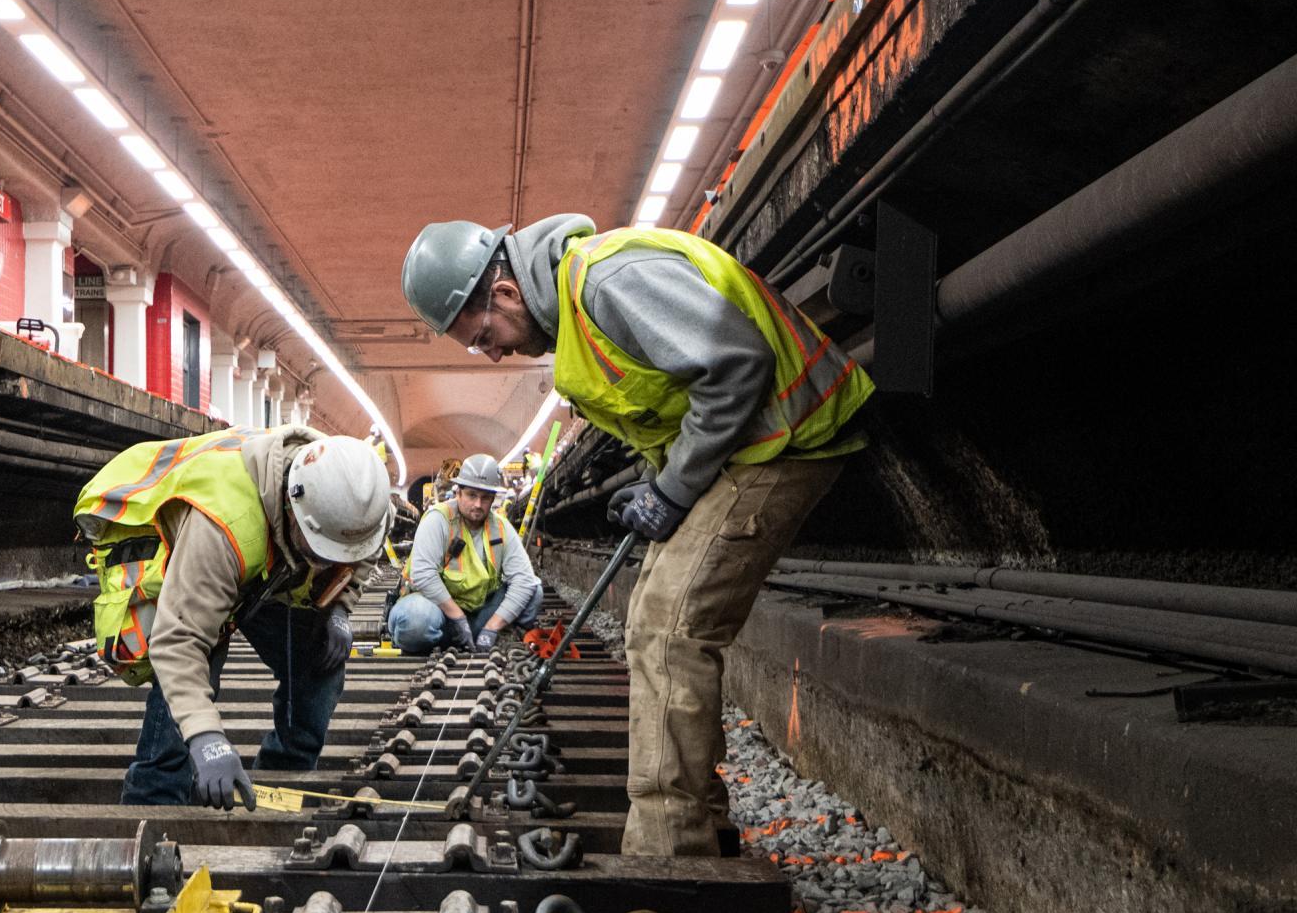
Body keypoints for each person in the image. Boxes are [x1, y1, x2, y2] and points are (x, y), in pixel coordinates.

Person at [401, 215, 873, 857]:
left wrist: (674, 490)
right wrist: (657, 478)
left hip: (785, 432)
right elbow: (672, 397)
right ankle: (705, 820)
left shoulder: (609, 280)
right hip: (746, 444)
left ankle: (668, 850)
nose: (492, 353)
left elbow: (736, 365)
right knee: (650, 623)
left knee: (667, 628)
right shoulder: (575, 314)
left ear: (505, 292)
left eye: (484, 335)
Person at [74, 426, 391, 810]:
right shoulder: (223, 526)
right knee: (200, 653)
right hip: (175, 544)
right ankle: (154, 795)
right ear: (293, 511)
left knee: (319, 655)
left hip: (270, 561)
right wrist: (206, 738)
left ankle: (281, 779)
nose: (331, 564)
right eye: (323, 551)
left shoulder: (357, 500)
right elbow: (178, 641)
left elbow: (363, 553)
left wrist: (341, 607)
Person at [388, 452, 541, 655]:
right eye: (472, 495)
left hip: (478, 617)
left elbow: (524, 580)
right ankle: (438, 639)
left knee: (534, 593)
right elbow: (423, 575)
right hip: (436, 610)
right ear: (458, 492)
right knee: (415, 622)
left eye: (485, 498)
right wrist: (458, 618)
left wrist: (491, 628)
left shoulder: (501, 528)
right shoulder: (438, 520)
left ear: (493, 499)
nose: (478, 504)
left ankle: (483, 638)